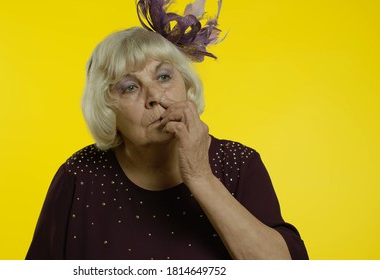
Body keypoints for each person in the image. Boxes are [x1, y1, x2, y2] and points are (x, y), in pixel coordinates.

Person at [26, 0, 308, 260]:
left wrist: (199, 177)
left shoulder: (238, 163)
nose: (154, 96)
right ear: (107, 108)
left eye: (163, 76)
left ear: (186, 85)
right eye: (130, 87)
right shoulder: (79, 175)